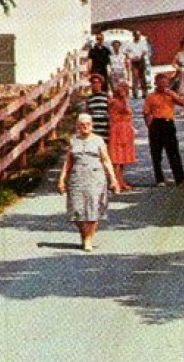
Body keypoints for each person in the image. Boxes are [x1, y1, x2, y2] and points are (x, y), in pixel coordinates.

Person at [58, 113, 123, 251]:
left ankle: (88, 239)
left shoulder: (98, 141)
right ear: (77, 126)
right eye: (82, 125)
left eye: (88, 124)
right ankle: (84, 233)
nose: (85, 127)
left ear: (92, 125)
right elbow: (68, 162)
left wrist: (113, 179)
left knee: (94, 208)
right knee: (76, 209)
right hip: (77, 177)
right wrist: (62, 179)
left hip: (95, 177)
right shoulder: (73, 140)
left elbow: (106, 160)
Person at [142, 72, 184, 187]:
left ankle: (180, 179)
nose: (163, 85)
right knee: (156, 153)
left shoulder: (170, 94)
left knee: (173, 152)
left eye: (165, 83)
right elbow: (146, 112)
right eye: (160, 83)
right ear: (156, 83)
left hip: (168, 123)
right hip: (156, 123)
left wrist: (172, 95)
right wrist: (150, 126)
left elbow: (183, 103)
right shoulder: (151, 96)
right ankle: (160, 179)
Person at [107, 81, 137, 188]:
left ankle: (121, 180)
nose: (124, 92)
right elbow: (124, 111)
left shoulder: (124, 101)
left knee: (123, 158)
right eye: (123, 89)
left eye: (125, 90)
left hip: (125, 130)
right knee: (117, 158)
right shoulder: (115, 102)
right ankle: (116, 181)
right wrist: (123, 99)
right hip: (117, 130)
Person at [126, 31, 152, 98]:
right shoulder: (130, 44)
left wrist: (140, 56)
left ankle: (144, 93)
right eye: (137, 35)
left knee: (142, 77)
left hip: (141, 60)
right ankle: (135, 93)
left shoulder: (142, 43)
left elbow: (145, 51)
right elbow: (125, 51)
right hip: (134, 61)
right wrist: (130, 57)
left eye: (139, 35)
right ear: (134, 36)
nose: (138, 36)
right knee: (135, 77)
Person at [84, 73, 111, 138]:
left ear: (101, 84)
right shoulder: (89, 98)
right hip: (94, 128)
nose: (95, 84)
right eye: (93, 83)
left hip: (104, 128)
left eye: (97, 82)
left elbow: (110, 111)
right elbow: (87, 113)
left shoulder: (106, 96)